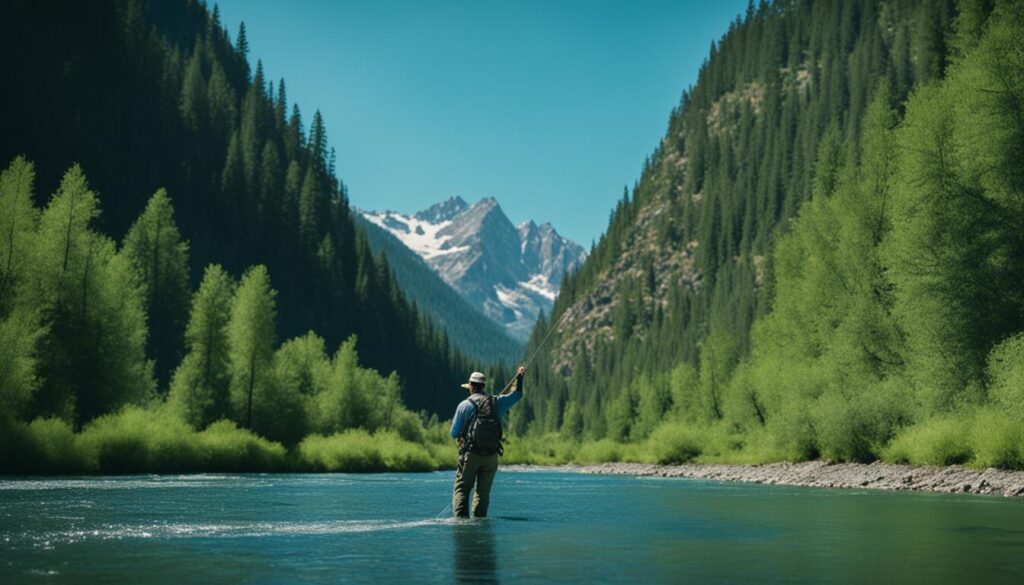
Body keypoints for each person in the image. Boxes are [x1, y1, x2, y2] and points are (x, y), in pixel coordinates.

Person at [450, 366, 524, 518]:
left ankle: (461, 525)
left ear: (470, 387)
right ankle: (479, 524)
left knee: (462, 489)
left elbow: (454, 433)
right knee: (482, 493)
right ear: (483, 386)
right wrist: (520, 377)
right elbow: (517, 395)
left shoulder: (463, 405)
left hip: (470, 454)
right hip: (491, 456)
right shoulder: (496, 402)